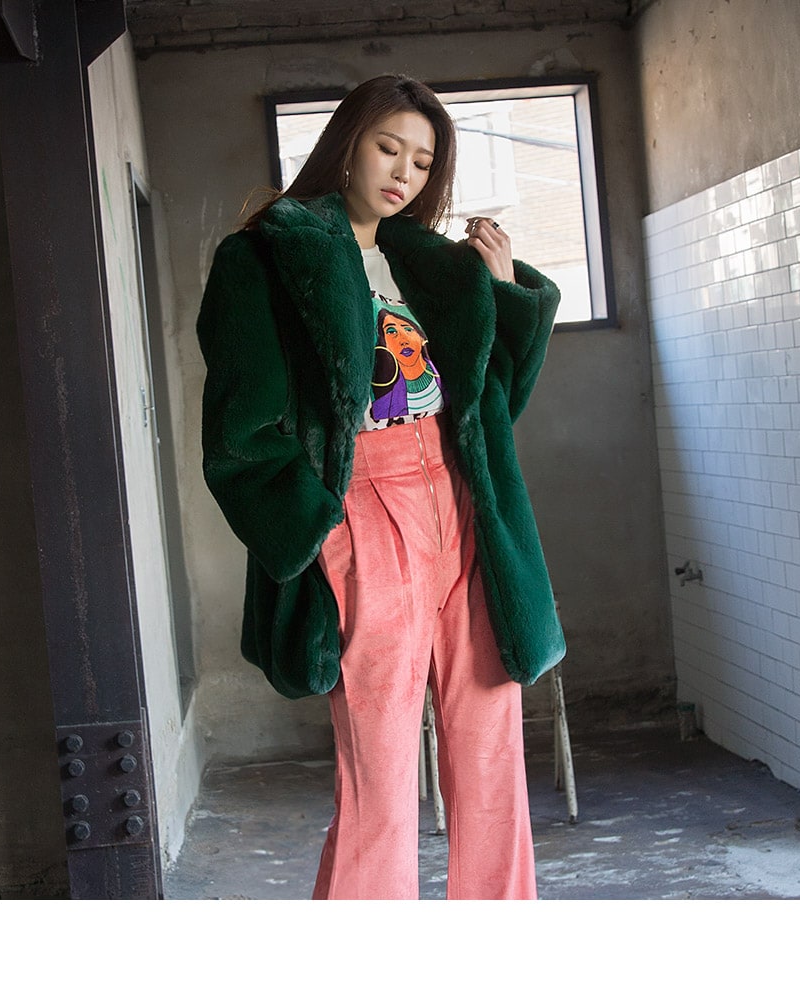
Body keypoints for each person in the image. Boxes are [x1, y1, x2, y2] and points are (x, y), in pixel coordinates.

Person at [195, 74, 564, 900]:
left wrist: (502, 291)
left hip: (462, 503)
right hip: (363, 508)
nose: (404, 172)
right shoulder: (266, 257)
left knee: (490, 748)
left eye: (423, 161)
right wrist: (321, 523)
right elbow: (240, 432)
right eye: (388, 147)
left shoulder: (429, 266)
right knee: (380, 766)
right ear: (347, 144)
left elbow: (494, 405)